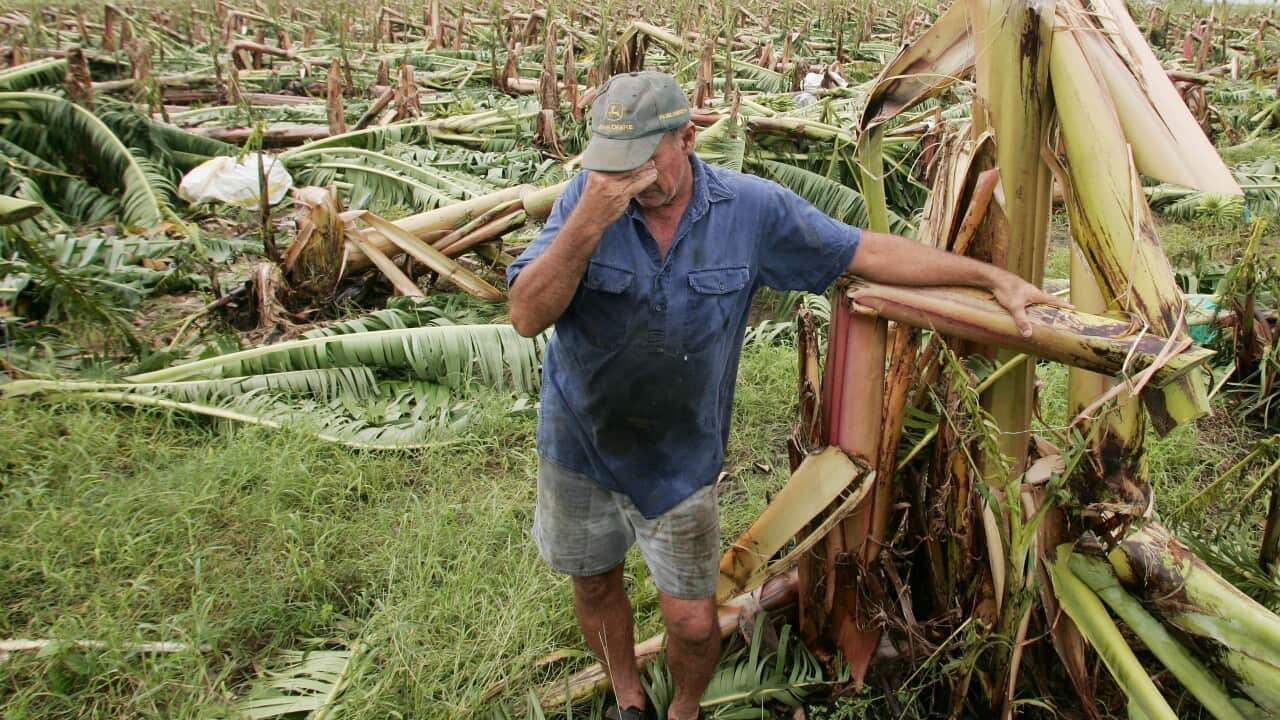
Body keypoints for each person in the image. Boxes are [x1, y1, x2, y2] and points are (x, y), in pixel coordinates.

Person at [506, 71, 1064, 720]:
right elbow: (525, 314)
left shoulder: (751, 211)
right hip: (579, 443)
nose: (624, 179)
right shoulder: (589, 199)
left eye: (640, 160)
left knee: (690, 621)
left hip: (679, 462)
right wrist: (586, 222)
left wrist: (990, 278)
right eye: (611, 162)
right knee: (595, 582)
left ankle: (684, 709)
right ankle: (630, 701)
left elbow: (862, 253)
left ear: (686, 138)